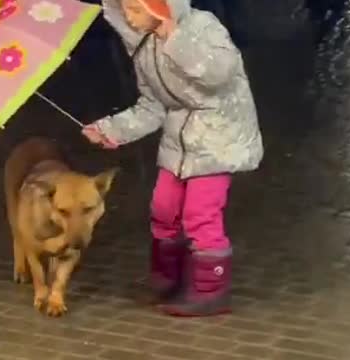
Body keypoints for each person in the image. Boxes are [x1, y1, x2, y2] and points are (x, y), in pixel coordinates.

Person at [82, 0, 263, 317]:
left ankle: (211, 291)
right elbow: (154, 105)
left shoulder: (202, 26)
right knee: (163, 208)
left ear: (159, 7)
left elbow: (220, 73)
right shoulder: (143, 47)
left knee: (200, 214)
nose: (128, 17)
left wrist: (174, 39)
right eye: (124, 9)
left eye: (136, 10)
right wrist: (112, 129)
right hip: (180, 140)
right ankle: (168, 279)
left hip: (219, 137)